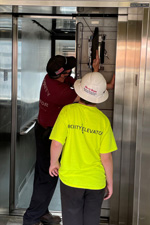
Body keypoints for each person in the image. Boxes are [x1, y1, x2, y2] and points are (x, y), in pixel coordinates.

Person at [23, 52, 115, 225]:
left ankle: (41, 212)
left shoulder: (51, 77)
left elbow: (83, 88)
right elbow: (87, 97)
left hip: (46, 129)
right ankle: (31, 219)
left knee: (45, 176)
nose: (71, 72)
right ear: (61, 74)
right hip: (49, 135)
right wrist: (54, 161)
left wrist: (97, 75)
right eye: (69, 70)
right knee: (47, 178)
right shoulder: (63, 94)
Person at [49, 71, 118, 225]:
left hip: (71, 179)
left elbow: (56, 143)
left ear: (80, 90)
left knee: (72, 219)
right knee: (91, 220)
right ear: (99, 97)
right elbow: (106, 157)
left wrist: (54, 163)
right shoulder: (103, 121)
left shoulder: (67, 112)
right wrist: (110, 182)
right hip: (96, 181)